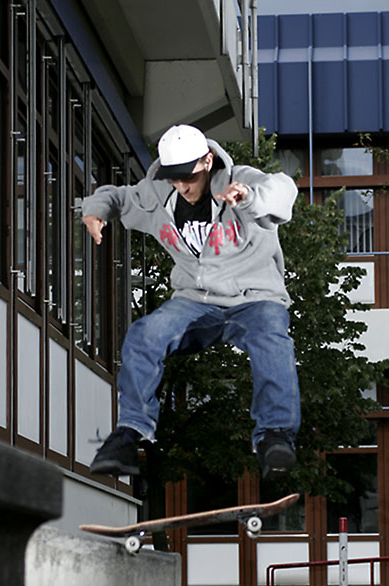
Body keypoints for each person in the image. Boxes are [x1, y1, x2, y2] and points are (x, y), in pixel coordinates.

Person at [82, 124, 300, 481]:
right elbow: (118, 196)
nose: (183, 187)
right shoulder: (156, 195)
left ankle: (275, 436)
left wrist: (248, 197)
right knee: (145, 334)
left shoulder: (239, 179)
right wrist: (95, 212)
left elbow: (282, 189)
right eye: (175, 179)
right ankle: (128, 434)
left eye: (189, 178)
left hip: (255, 298)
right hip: (195, 301)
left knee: (272, 341)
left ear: (207, 162)